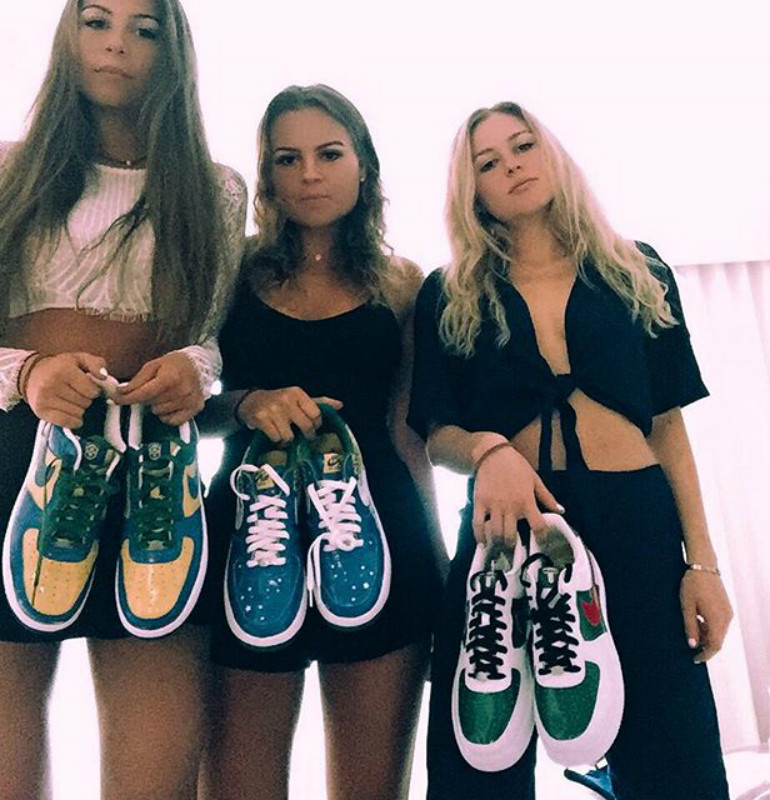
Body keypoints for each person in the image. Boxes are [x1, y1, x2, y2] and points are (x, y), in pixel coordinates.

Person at [408, 101, 734, 799]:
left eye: (523, 145)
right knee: (478, 762)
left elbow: (668, 426)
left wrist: (702, 564)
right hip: (507, 535)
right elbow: (437, 436)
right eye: (488, 163)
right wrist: (490, 451)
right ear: (472, 191)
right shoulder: (449, 293)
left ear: (551, 151)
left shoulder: (636, 269)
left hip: (637, 525)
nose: (511, 165)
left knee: (676, 759)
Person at [0, 1, 246, 797]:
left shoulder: (215, 189)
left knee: (158, 770)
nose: (117, 45)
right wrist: (28, 373)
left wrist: (194, 367)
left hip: (155, 471)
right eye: (97, 21)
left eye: (145, 30)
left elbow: (209, 336)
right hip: (16, 457)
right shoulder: (7, 171)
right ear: (67, 36)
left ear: (172, 53)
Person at [199, 84, 445, 800]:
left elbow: (409, 435)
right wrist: (248, 403)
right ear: (267, 174)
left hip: (382, 538)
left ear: (364, 164)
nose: (309, 173)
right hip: (249, 541)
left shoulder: (404, 283)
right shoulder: (230, 271)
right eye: (288, 158)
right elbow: (187, 410)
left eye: (329, 154)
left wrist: (436, 568)